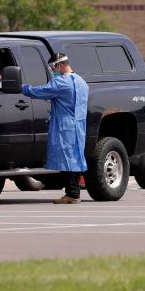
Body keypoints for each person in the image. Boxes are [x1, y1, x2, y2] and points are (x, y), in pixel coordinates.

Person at [20, 52, 88, 204]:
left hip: (65, 126)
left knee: (68, 160)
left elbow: (38, 91)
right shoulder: (82, 82)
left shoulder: (61, 82)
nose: (53, 71)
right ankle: (74, 192)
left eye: (53, 67)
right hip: (79, 126)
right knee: (76, 159)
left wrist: (22, 88)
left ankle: (72, 194)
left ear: (60, 65)